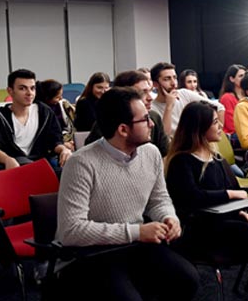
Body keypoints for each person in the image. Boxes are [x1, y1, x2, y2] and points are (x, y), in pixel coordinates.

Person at [55, 87, 199, 300]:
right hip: (91, 254)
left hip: (134, 245)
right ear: (123, 129)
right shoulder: (82, 163)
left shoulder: (150, 152)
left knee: (188, 279)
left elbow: (158, 199)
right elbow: (71, 231)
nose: (152, 124)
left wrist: (169, 216)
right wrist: (137, 232)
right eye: (145, 120)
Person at [165, 100, 248, 301]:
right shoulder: (182, 161)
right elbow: (192, 198)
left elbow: (233, 188)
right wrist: (230, 195)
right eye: (215, 122)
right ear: (199, 127)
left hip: (229, 219)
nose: (220, 126)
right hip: (205, 228)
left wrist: (240, 210)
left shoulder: (215, 158)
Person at [0, 69, 72, 170]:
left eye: (32, 88)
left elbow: (55, 141)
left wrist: (64, 150)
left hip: (39, 164)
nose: (29, 93)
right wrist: (7, 159)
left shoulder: (44, 112)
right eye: (22, 88)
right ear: (10, 91)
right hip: (11, 166)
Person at [85, 70, 169, 156]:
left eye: (150, 91)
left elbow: (164, 154)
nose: (150, 98)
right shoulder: (108, 121)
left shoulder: (154, 117)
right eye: (142, 92)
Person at [149, 62, 224, 136]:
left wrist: (215, 133)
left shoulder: (184, 94)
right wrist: (169, 106)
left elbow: (219, 107)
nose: (173, 83)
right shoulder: (152, 108)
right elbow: (164, 136)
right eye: (167, 79)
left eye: (175, 78)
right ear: (155, 84)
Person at [36, 79, 76, 151]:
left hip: (66, 138)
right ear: (47, 98)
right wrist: (63, 143)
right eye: (57, 97)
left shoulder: (62, 105)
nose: (61, 98)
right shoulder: (42, 112)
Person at [219, 64, 247, 136]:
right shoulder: (227, 98)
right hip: (234, 135)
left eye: (245, 75)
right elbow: (231, 126)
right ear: (232, 79)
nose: (244, 78)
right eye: (241, 76)